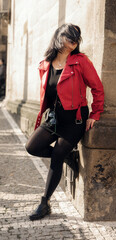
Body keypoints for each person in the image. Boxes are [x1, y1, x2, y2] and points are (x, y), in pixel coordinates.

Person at [25, 23, 104, 221]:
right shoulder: (45, 64)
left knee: (56, 157)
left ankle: (45, 203)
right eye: (70, 36)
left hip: (75, 120)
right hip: (54, 118)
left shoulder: (80, 61)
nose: (75, 39)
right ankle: (69, 157)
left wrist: (95, 114)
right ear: (60, 37)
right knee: (31, 147)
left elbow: (97, 88)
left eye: (77, 36)